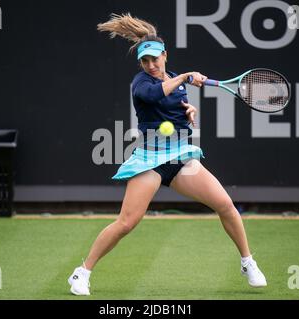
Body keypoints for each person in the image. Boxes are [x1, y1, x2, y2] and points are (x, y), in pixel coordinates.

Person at [68, 13, 266, 296]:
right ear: (140, 63)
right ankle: (82, 273)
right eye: (145, 61)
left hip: (180, 157)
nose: (150, 65)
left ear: (165, 56)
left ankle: (248, 262)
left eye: (155, 59)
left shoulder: (176, 81)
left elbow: (175, 104)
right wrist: (186, 76)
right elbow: (154, 96)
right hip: (150, 161)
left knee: (225, 204)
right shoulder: (140, 83)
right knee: (127, 223)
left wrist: (188, 111)